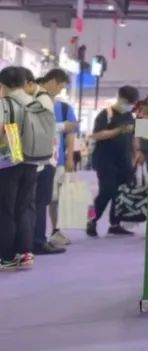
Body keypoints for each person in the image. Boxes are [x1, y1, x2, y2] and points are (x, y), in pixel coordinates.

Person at [87, 85, 140, 239]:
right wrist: (117, 131)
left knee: (121, 193)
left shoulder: (130, 116)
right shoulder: (106, 114)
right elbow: (96, 135)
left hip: (124, 160)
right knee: (106, 191)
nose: (129, 105)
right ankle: (91, 219)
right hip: (105, 160)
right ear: (119, 98)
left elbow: (134, 136)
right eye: (127, 102)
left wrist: (136, 153)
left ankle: (115, 224)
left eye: (132, 103)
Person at [1, 67, 36, 271]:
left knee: (5, 209)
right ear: (24, 83)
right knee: (23, 208)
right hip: (32, 161)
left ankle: (5, 256)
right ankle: (25, 253)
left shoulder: (4, 104)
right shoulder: (35, 102)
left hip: (8, 161)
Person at [32, 69, 71, 256]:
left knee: (40, 201)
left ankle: (36, 239)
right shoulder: (41, 99)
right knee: (39, 201)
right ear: (54, 81)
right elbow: (38, 127)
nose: (60, 91)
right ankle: (37, 241)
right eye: (61, 87)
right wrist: (61, 126)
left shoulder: (44, 98)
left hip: (44, 157)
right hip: (41, 158)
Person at [48, 89, 79, 247]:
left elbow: (71, 134)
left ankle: (56, 231)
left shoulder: (65, 108)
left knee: (55, 199)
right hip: (34, 160)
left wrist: (70, 158)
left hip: (57, 161)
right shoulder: (31, 105)